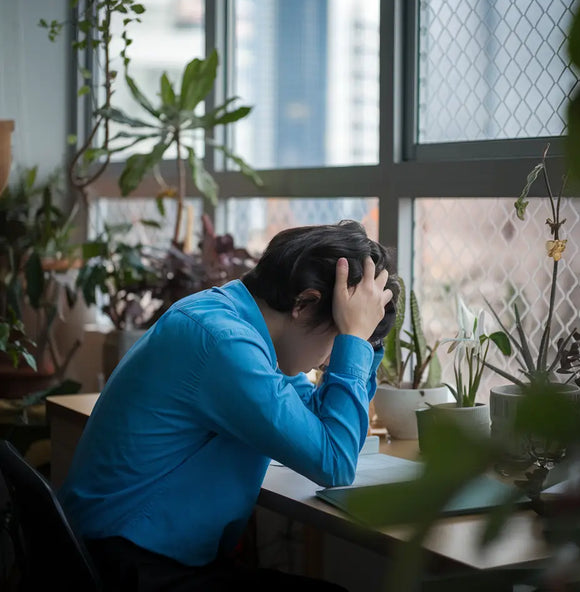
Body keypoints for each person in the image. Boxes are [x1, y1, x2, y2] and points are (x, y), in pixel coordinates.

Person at [58, 220, 399, 591]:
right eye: (339, 337)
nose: (325, 362)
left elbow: (315, 422)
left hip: (131, 553)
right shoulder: (226, 344)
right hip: (127, 567)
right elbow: (335, 461)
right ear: (304, 303)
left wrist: (366, 341)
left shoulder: (240, 325)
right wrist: (354, 340)